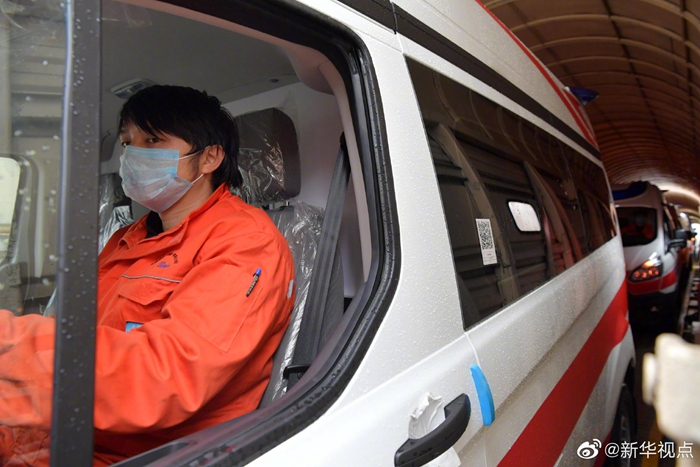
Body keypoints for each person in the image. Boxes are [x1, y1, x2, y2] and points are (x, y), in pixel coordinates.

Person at [0, 86, 295, 466]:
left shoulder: (245, 242)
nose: (132, 155)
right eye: (127, 143)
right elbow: (82, 331)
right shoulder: (128, 237)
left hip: (137, 455)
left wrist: (10, 347)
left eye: (152, 141)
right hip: (54, 432)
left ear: (210, 157)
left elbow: (167, 376)